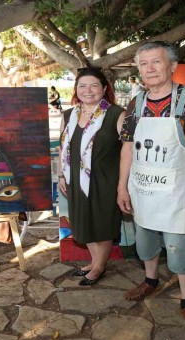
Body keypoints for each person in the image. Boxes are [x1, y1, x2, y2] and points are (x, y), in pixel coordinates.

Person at [117, 41, 185, 333]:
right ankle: (150, 281)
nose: (150, 68)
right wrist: (122, 187)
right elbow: (127, 148)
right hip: (144, 188)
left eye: (156, 62)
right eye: (144, 64)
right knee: (145, 241)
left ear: (172, 66)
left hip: (179, 190)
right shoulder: (136, 103)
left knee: (180, 246)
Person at [59, 67, 126, 286]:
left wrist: (124, 184)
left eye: (94, 85)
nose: (88, 90)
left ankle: (99, 267)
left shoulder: (116, 114)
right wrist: (61, 175)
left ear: (104, 88)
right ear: (76, 89)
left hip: (106, 180)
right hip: (75, 179)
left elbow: (129, 150)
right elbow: (63, 149)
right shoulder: (69, 115)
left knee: (102, 223)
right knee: (83, 221)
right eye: (82, 86)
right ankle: (95, 261)